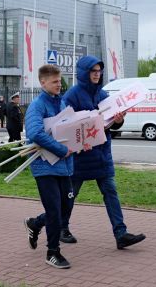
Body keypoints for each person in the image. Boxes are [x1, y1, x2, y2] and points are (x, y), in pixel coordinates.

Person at [61, 55, 146, 249]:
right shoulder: (71, 96)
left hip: (101, 154)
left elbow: (112, 125)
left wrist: (119, 120)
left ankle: (120, 233)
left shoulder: (104, 96)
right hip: (81, 156)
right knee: (69, 194)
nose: (97, 75)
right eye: (93, 71)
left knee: (111, 191)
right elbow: (65, 125)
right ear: (84, 73)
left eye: (99, 71)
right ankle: (61, 228)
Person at [23, 64, 74, 269]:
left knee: (64, 209)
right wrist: (62, 150)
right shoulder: (37, 106)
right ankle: (52, 252)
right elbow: (35, 133)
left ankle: (34, 224)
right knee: (54, 210)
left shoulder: (62, 104)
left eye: (59, 81)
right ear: (42, 82)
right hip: (44, 166)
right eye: (54, 82)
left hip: (64, 166)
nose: (58, 85)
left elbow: (68, 129)